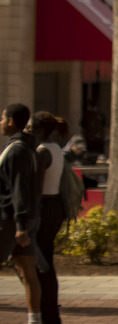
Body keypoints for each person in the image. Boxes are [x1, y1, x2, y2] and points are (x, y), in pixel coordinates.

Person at [1, 103, 42, 324]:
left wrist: (20, 224)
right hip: (24, 218)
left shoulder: (16, 150)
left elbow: (18, 189)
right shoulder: (26, 148)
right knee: (27, 269)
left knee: (27, 269)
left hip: (10, 219)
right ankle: (34, 319)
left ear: (10, 121)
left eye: (1, 119)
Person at [31, 111, 70, 324]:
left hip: (43, 207)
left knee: (40, 263)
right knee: (46, 260)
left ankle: (46, 313)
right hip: (55, 205)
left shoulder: (42, 151)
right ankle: (50, 311)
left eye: (29, 128)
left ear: (37, 130)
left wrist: (30, 215)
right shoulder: (56, 149)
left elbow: (36, 188)